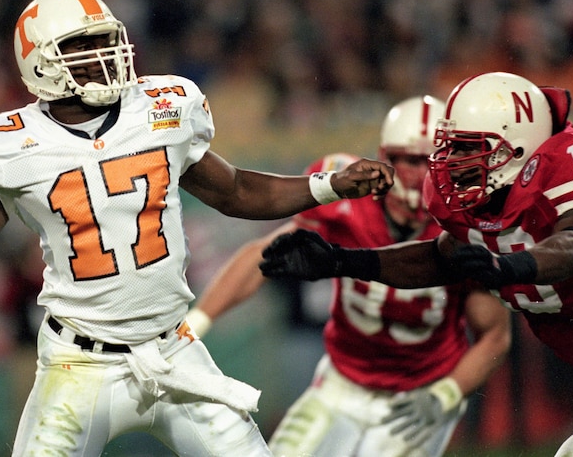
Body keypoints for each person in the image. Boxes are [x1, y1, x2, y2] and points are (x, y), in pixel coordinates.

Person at [0, 0, 395, 456]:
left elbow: (235, 191)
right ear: (41, 64)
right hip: (77, 364)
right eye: (84, 48)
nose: (106, 58)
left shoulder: (161, 106)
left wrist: (327, 187)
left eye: (108, 41)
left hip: (173, 351)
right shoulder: (7, 142)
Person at [259, 71, 573, 456]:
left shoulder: (566, 163)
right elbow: (437, 258)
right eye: (451, 147)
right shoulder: (475, 207)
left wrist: (509, 268)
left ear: (514, 150)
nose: (452, 161)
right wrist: (339, 260)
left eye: (467, 147)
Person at [187, 96, 511, 457]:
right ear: (385, 157)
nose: (420, 173)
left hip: (420, 391)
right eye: (408, 158)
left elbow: (495, 334)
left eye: (430, 158)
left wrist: (445, 394)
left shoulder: (463, 226)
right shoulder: (349, 195)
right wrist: (196, 323)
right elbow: (263, 257)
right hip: (342, 383)